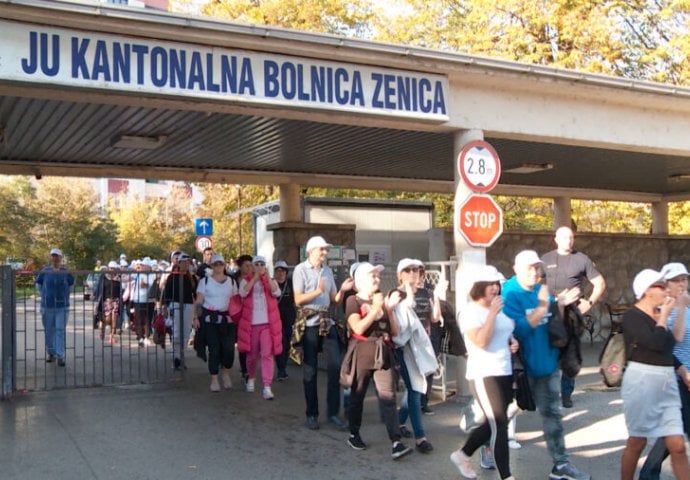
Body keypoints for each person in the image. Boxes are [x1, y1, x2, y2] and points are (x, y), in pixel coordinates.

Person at [502, 250, 590, 480]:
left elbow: (554, 323)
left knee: (552, 413)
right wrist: (544, 305)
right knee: (506, 412)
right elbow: (518, 329)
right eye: (530, 268)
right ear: (516, 269)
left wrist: (559, 305)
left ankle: (561, 465)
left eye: (537, 268)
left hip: (548, 365)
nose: (535, 273)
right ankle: (483, 438)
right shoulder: (509, 293)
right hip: (520, 370)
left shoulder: (542, 291)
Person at [620, 269, 690, 480]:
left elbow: (673, 341)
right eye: (660, 286)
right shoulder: (632, 316)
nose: (665, 289)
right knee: (637, 442)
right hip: (642, 381)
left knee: (677, 445)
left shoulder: (661, 313)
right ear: (646, 291)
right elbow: (656, 343)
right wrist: (665, 316)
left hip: (666, 381)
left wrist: (677, 308)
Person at [450, 265, 518, 480]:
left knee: (496, 423)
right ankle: (506, 476)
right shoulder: (470, 312)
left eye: (496, 284)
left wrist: (511, 340)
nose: (495, 289)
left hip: (505, 371)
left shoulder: (498, 308)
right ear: (478, 287)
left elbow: (505, 331)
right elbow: (480, 341)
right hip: (483, 373)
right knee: (499, 424)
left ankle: (463, 453)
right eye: (490, 285)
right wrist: (492, 315)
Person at [344, 262, 412, 460]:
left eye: (377, 276)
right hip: (363, 351)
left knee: (388, 397)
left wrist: (389, 310)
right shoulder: (353, 301)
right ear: (362, 280)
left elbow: (396, 331)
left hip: (383, 352)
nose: (377, 279)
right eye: (373, 276)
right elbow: (357, 328)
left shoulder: (381, 300)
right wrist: (375, 309)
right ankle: (354, 433)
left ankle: (396, 441)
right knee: (358, 395)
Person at [291, 235, 352, 430]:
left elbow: (334, 299)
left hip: (327, 322)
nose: (325, 253)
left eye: (326, 250)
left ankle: (333, 413)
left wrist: (342, 289)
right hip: (309, 323)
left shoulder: (327, 271)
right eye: (322, 249)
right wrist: (318, 292)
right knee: (310, 370)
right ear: (311, 251)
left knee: (335, 366)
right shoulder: (300, 270)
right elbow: (298, 299)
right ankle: (312, 414)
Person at [541, 226, 606, 408]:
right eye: (564, 237)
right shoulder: (546, 259)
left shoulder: (582, 259)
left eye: (570, 237)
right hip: (552, 312)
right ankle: (549, 392)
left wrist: (590, 302)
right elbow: (534, 282)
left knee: (570, 354)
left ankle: (566, 394)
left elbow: (599, 283)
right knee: (551, 351)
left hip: (572, 314)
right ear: (556, 239)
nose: (568, 241)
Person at [394, 258, 436, 453]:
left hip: (422, 347)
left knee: (416, 387)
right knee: (414, 390)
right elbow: (398, 328)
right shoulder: (396, 295)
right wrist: (407, 297)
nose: (412, 273)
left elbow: (431, 318)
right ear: (400, 274)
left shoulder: (426, 293)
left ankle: (398, 422)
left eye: (416, 270)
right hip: (405, 349)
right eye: (408, 270)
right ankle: (421, 437)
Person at [237, 255, 283, 400]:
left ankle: (267, 386)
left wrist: (267, 278)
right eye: (256, 264)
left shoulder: (270, 280)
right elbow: (243, 292)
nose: (259, 266)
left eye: (262, 264)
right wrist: (255, 279)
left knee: (267, 354)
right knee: (252, 355)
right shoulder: (246, 280)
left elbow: (277, 292)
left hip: (267, 324)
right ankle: (251, 377)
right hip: (251, 324)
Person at [193, 254, 238, 392]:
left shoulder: (231, 281)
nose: (218, 266)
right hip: (210, 321)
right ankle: (214, 378)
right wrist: (195, 317)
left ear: (224, 265)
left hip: (228, 320)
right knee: (214, 349)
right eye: (216, 264)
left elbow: (236, 301)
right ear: (211, 266)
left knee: (229, 349)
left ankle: (226, 373)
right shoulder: (205, 281)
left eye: (221, 264)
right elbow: (199, 301)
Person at [35, 248, 74, 367]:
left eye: (57, 256)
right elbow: (39, 285)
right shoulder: (45, 271)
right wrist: (45, 296)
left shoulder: (65, 271)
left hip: (62, 307)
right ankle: (51, 352)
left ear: (61, 258)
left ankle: (60, 355)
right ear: (50, 257)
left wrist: (64, 296)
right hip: (47, 306)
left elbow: (71, 286)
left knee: (60, 330)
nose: (55, 258)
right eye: (53, 256)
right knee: (49, 331)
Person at [160, 253, 197, 370]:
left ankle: (182, 356)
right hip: (175, 304)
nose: (185, 265)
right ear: (179, 263)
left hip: (188, 305)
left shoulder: (192, 278)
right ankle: (176, 357)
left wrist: (196, 311)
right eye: (183, 262)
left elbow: (195, 294)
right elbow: (167, 293)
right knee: (176, 332)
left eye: (187, 262)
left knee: (186, 332)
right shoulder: (172, 277)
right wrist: (165, 306)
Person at [416, 262, 444, 415]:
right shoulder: (406, 293)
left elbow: (435, 317)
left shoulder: (429, 292)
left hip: (429, 334)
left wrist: (437, 297)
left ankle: (424, 402)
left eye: (419, 272)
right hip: (414, 336)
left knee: (429, 368)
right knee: (416, 370)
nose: (416, 275)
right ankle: (414, 403)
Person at [233, 254, 254, 384]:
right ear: (240, 267)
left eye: (250, 265)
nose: (249, 268)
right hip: (239, 314)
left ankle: (249, 368)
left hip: (252, 314)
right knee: (243, 342)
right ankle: (245, 370)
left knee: (252, 343)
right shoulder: (233, 279)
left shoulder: (255, 278)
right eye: (246, 265)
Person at [274, 260, 296, 381]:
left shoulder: (291, 284)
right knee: (279, 343)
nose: (281, 273)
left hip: (289, 317)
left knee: (287, 343)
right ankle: (281, 369)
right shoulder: (272, 283)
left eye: (283, 270)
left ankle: (283, 366)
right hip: (276, 318)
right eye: (278, 270)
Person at [96, 260, 122, 345]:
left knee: (114, 317)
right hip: (106, 299)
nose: (112, 270)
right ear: (108, 268)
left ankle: (112, 336)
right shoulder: (104, 276)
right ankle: (102, 327)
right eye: (111, 268)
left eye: (114, 268)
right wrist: (96, 296)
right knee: (108, 319)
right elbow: (99, 287)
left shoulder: (118, 277)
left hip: (116, 300)